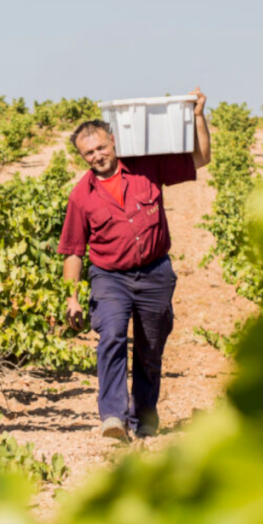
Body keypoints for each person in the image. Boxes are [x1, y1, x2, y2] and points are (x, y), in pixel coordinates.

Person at [58, 89, 211, 441]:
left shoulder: (146, 166)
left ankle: (143, 418)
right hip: (110, 277)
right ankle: (112, 416)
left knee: (150, 347)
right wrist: (72, 297)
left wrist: (199, 116)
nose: (97, 156)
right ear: (82, 157)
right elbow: (73, 251)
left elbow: (201, 158)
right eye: (89, 153)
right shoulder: (81, 195)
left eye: (101, 147)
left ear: (113, 141)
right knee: (110, 335)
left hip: (156, 273)